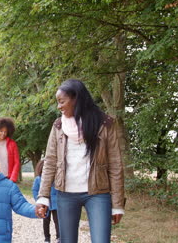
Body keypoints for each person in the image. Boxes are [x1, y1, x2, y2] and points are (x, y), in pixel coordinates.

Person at [36, 79, 125, 243]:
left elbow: (115, 165)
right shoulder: (58, 126)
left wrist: (117, 204)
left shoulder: (105, 124)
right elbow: (50, 162)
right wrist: (43, 197)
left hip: (98, 194)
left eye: (62, 101)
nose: (59, 106)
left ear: (76, 98)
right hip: (66, 194)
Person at [33, 160, 60, 243]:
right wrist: (38, 201)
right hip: (44, 204)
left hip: (55, 204)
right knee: (46, 221)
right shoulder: (38, 179)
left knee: (57, 221)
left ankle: (59, 237)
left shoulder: (56, 178)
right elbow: (35, 190)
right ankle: (47, 238)